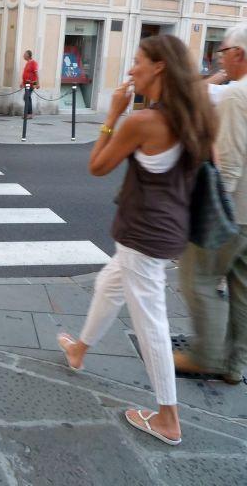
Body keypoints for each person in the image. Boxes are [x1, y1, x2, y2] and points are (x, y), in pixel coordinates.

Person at [57, 34, 217, 446]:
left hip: (143, 235)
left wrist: (111, 115)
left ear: (159, 66)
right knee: (108, 286)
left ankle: (168, 418)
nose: (131, 70)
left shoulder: (143, 123)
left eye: (137, 61)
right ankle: (79, 350)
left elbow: (96, 165)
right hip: (168, 230)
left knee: (151, 324)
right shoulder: (197, 115)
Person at [175, 24, 247, 386]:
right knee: (241, 287)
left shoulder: (237, 95)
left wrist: (220, 216)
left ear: (239, 55)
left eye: (223, 52)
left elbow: (230, 162)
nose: (221, 58)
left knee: (195, 277)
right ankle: (234, 365)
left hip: (233, 211)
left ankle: (206, 354)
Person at [21, 49, 39, 118]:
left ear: (28, 55)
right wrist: (22, 83)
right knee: (27, 97)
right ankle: (29, 113)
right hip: (26, 84)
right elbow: (26, 74)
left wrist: (37, 83)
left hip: (31, 84)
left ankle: (29, 113)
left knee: (26, 97)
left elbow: (36, 73)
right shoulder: (27, 63)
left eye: (24, 54)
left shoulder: (33, 63)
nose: (23, 56)